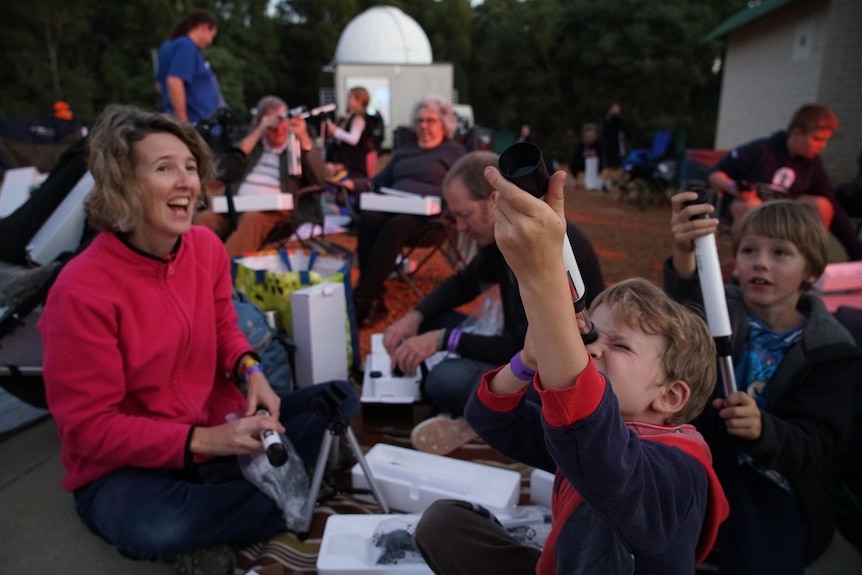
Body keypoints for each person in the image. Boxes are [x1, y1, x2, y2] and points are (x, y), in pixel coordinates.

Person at [37, 104, 358, 574]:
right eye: (165, 168)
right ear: (122, 182)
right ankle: (281, 488)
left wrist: (250, 372)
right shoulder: (80, 290)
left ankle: (247, 500)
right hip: (129, 468)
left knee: (339, 399)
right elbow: (91, 428)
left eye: (190, 167)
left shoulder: (205, 248)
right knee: (157, 523)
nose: (186, 181)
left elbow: (225, 327)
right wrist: (206, 440)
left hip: (218, 426)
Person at [414, 164, 729, 573]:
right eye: (596, 335)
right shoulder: (591, 438)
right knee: (444, 523)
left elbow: (597, 444)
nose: (594, 350)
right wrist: (526, 362)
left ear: (669, 395)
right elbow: (489, 419)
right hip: (564, 561)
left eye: (620, 346)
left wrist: (541, 278)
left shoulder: (678, 473)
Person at [664, 193, 862, 574]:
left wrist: (762, 430)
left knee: (764, 552)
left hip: (774, 479)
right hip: (699, 455)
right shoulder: (721, 307)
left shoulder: (832, 350)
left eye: (781, 253)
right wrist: (685, 255)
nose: (761, 263)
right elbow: (676, 323)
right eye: (749, 250)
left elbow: (817, 442)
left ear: (812, 271)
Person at [383, 150, 605, 455]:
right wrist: (416, 316)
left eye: (464, 215)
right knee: (429, 323)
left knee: (442, 381)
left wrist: (446, 340)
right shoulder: (506, 234)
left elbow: (524, 345)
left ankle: (485, 419)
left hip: (549, 369)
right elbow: (464, 283)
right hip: (514, 343)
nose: (459, 227)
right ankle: (475, 415)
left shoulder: (548, 246)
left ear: (493, 200)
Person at [344, 94, 467, 326]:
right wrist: (353, 184)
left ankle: (363, 298)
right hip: (393, 208)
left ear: (445, 125)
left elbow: (462, 188)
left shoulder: (453, 153)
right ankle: (373, 297)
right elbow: (378, 181)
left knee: (395, 225)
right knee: (369, 218)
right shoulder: (404, 151)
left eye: (431, 121)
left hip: (432, 221)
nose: (423, 126)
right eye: (420, 120)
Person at [708, 103, 862, 261]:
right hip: (747, 209)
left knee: (823, 205)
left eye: (824, 141)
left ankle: (806, 261)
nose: (822, 146)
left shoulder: (812, 164)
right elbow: (714, 174)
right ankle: (745, 262)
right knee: (751, 206)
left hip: (784, 215)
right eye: (817, 139)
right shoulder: (761, 149)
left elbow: (834, 207)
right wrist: (734, 188)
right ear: (796, 133)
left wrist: (856, 250)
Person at [194, 95, 329, 257]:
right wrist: (258, 132)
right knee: (205, 219)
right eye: (272, 124)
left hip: (275, 212)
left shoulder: (296, 147)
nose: (278, 128)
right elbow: (226, 168)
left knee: (252, 219)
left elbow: (322, 178)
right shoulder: (254, 146)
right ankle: (194, 270)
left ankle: (225, 273)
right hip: (236, 207)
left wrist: (304, 138)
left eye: (282, 121)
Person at [155, 9, 224, 125]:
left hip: (182, 120)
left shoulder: (168, 46)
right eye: (212, 36)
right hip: (195, 123)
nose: (210, 42)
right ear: (204, 27)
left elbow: (158, 85)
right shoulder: (186, 46)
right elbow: (174, 81)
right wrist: (184, 123)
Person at [325, 86, 376, 178]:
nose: (348, 101)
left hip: (353, 167)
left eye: (351, 98)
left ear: (359, 101)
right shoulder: (350, 117)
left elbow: (353, 139)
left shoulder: (358, 118)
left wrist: (336, 131)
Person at [569, 122, 603, 191]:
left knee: (605, 171)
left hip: (596, 172)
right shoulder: (580, 146)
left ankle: (599, 186)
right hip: (583, 172)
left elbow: (604, 162)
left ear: (595, 136)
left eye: (591, 136)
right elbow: (574, 163)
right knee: (581, 176)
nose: (589, 138)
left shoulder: (600, 146)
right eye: (587, 136)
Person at [600, 101, 628, 173]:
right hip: (611, 147)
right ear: (610, 109)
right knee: (610, 164)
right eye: (616, 108)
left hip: (619, 147)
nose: (618, 109)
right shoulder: (607, 120)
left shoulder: (619, 120)